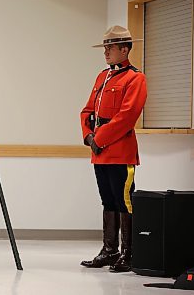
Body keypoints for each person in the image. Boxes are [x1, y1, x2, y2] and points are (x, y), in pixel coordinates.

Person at [80, 25, 147, 273]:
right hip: (99, 151)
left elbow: (127, 117)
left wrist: (100, 138)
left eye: (111, 48)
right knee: (107, 200)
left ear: (125, 49)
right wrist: (88, 136)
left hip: (120, 150)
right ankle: (110, 251)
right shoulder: (102, 76)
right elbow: (87, 111)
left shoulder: (135, 78)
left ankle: (129, 254)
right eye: (105, 48)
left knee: (124, 201)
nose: (106, 52)